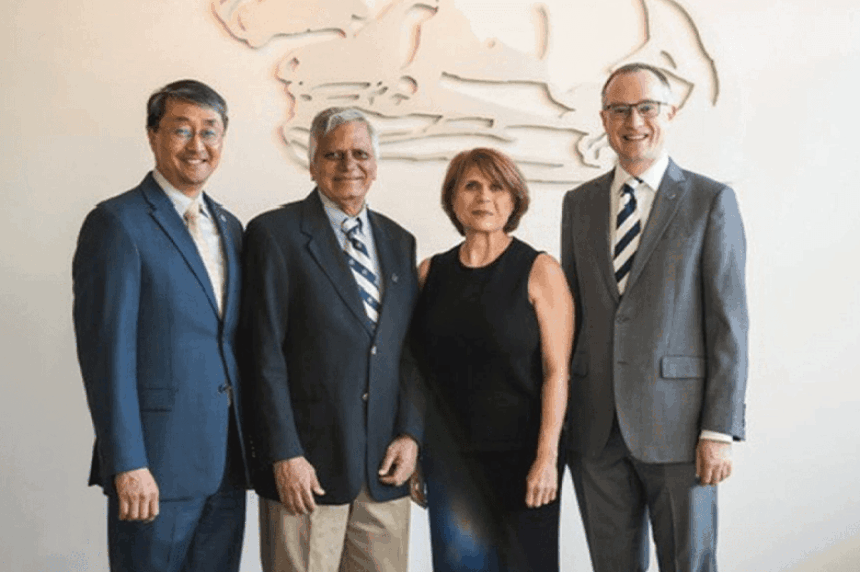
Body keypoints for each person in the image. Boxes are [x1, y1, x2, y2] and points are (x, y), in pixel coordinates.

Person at [560, 62, 749, 572]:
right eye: (620, 109)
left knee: (689, 564)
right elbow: (571, 317)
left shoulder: (711, 201)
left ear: (671, 113)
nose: (634, 120)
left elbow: (729, 324)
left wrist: (719, 430)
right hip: (596, 431)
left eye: (646, 107)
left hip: (682, 431)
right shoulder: (578, 204)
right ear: (603, 119)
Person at [72, 79, 248, 572]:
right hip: (154, 470)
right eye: (182, 130)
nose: (198, 146)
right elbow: (106, 356)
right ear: (153, 135)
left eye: (210, 132)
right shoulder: (117, 222)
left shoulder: (231, 227)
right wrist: (126, 462)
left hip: (227, 464)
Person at [240, 107, 422, 572]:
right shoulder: (274, 235)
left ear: (375, 165)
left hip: (383, 470)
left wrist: (410, 434)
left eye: (360, 153)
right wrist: (285, 452)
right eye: (334, 154)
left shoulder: (400, 242)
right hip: (307, 471)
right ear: (313, 163)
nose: (348, 165)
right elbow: (263, 355)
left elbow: (410, 352)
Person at [410, 147, 574, 571]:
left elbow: (557, 373)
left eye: (497, 186)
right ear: (453, 199)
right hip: (450, 466)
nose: (485, 197)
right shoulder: (430, 273)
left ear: (514, 199)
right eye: (472, 186)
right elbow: (418, 374)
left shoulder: (540, 270)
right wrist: (414, 450)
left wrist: (548, 458)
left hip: (523, 462)